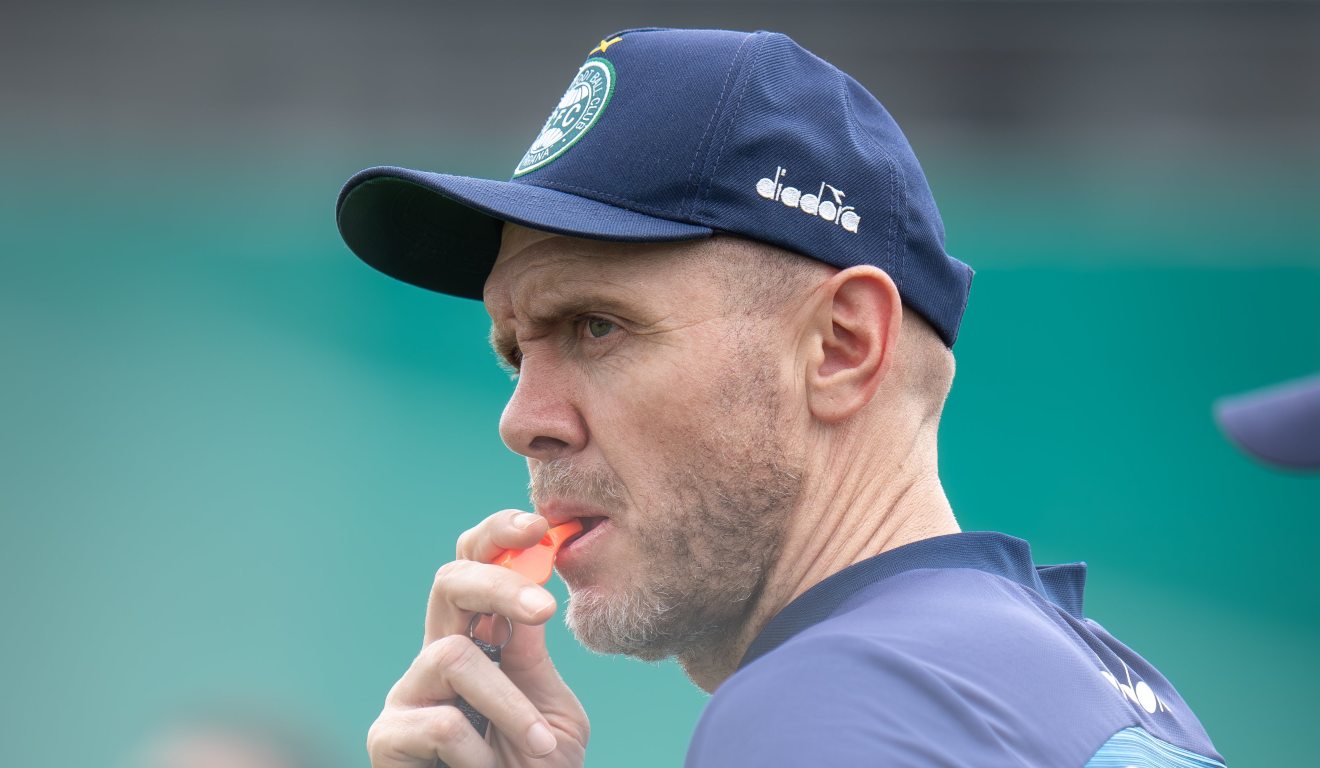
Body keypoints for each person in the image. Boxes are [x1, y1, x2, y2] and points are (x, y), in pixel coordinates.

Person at [336, 28, 1224, 767]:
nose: (523, 421)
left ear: (841, 346)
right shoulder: (1101, 688)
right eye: (512, 353)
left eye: (596, 326)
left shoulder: (831, 705)